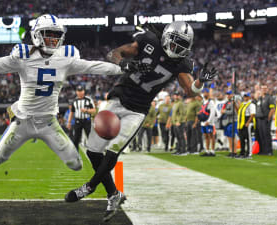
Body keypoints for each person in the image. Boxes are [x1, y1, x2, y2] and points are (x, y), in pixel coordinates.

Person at [0, 14, 123, 205]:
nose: (53, 39)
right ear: (37, 35)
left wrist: (124, 69)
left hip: (49, 124)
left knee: (76, 164)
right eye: (48, 34)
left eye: (56, 35)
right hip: (23, 122)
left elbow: (95, 67)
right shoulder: (23, 56)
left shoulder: (65, 58)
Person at [64, 22, 217, 221]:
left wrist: (200, 82)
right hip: (118, 99)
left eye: (182, 45)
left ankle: (89, 187)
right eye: (175, 43)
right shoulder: (148, 41)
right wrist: (124, 63)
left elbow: (189, 91)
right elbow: (113, 53)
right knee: (93, 150)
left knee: (113, 150)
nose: (177, 48)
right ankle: (113, 194)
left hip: (138, 110)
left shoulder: (181, 63)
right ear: (166, 38)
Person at [67, 85, 96, 150]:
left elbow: (94, 110)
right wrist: (69, 122)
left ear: (84, 91)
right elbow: (72, 112)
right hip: (78, 121)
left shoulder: (88, 100)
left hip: (87, 121)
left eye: (81, 91)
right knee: (76, 139)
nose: (80, 92)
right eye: (78, 91)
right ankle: (76, 156)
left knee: (90, 138)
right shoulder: (74, 101)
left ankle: (94, 154)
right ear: (76, 92)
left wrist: (86, 110)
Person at [255, 85, 275, 155]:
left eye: (265, 88)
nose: (264, 90)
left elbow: (272, 109)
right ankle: (262, 150)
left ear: (267, 89)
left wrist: (268, 118)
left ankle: (269, 151)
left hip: (265, 118)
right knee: (260, 135)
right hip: (259, 119)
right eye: (262, 88)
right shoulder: (259, 98)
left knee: (266, 135)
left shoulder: (269, 98)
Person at [236, 92, 256, 159]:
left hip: (247, 122)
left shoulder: (251, 105)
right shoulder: (242, 104)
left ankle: (249, 153)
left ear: (249, 97)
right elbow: (238, 112)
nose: (245, 98)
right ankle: (242, 152)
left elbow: (252, 114)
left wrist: (248, 122)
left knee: (248, 139)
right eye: (244, 96)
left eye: (246, 96)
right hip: (241, 122)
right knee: (242, 139)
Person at [221, 90, 238, 157]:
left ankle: (234, 151)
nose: (228, 95)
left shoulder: (233, 102)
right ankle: (231, 151)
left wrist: (224, 111)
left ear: (232, 95)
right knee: (229, 137)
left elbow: (233, 112)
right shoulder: (226, 102)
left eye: (229, 94)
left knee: (233, 137)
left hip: (232, 121)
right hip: (227, 122)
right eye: (227, 94)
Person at [199, 88, 216, 156]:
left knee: (211, 135)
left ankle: (212, 150)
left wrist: (209, 121)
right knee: (206, 136)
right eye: (203, 92)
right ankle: (207, 150)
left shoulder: (210, 102)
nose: (204, 93)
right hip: (203, 121)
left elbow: (212, 112)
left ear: (208, 93)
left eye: (206, 92)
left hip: (209, 122)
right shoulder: (203, 101)